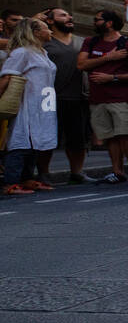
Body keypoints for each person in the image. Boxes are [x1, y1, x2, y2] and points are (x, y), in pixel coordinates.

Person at [77, 10, 128, 185]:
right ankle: (117, 171)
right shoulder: (90, 42)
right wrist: (109, 57)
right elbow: (81, 64)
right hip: (97, 98)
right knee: (110, 137)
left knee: (125, 135)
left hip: (121, 97)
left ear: (109, 23)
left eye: (97, 20)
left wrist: (113, 78)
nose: (94, 22)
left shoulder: (127, 43)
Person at [0, 18, 57, 195]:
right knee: (21, 140)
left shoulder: (42, 53)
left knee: (35, 141)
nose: (51, 31)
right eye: (47, 28)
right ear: (35, 32)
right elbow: (7, 76)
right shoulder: (21, 53)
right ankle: (10, 182)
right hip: (26, 103)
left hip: (43, 104)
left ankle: (27, 178)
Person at [42, 7, 89, 184]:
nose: (69, 17)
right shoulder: (44, 41)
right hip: (50, 98)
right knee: (47, 138)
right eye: (63, 15)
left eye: (70, 15)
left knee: (78, 139)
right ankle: (44, 173)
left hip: (78, 97)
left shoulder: (82, 42)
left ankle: (77, 172)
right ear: (50, 21)